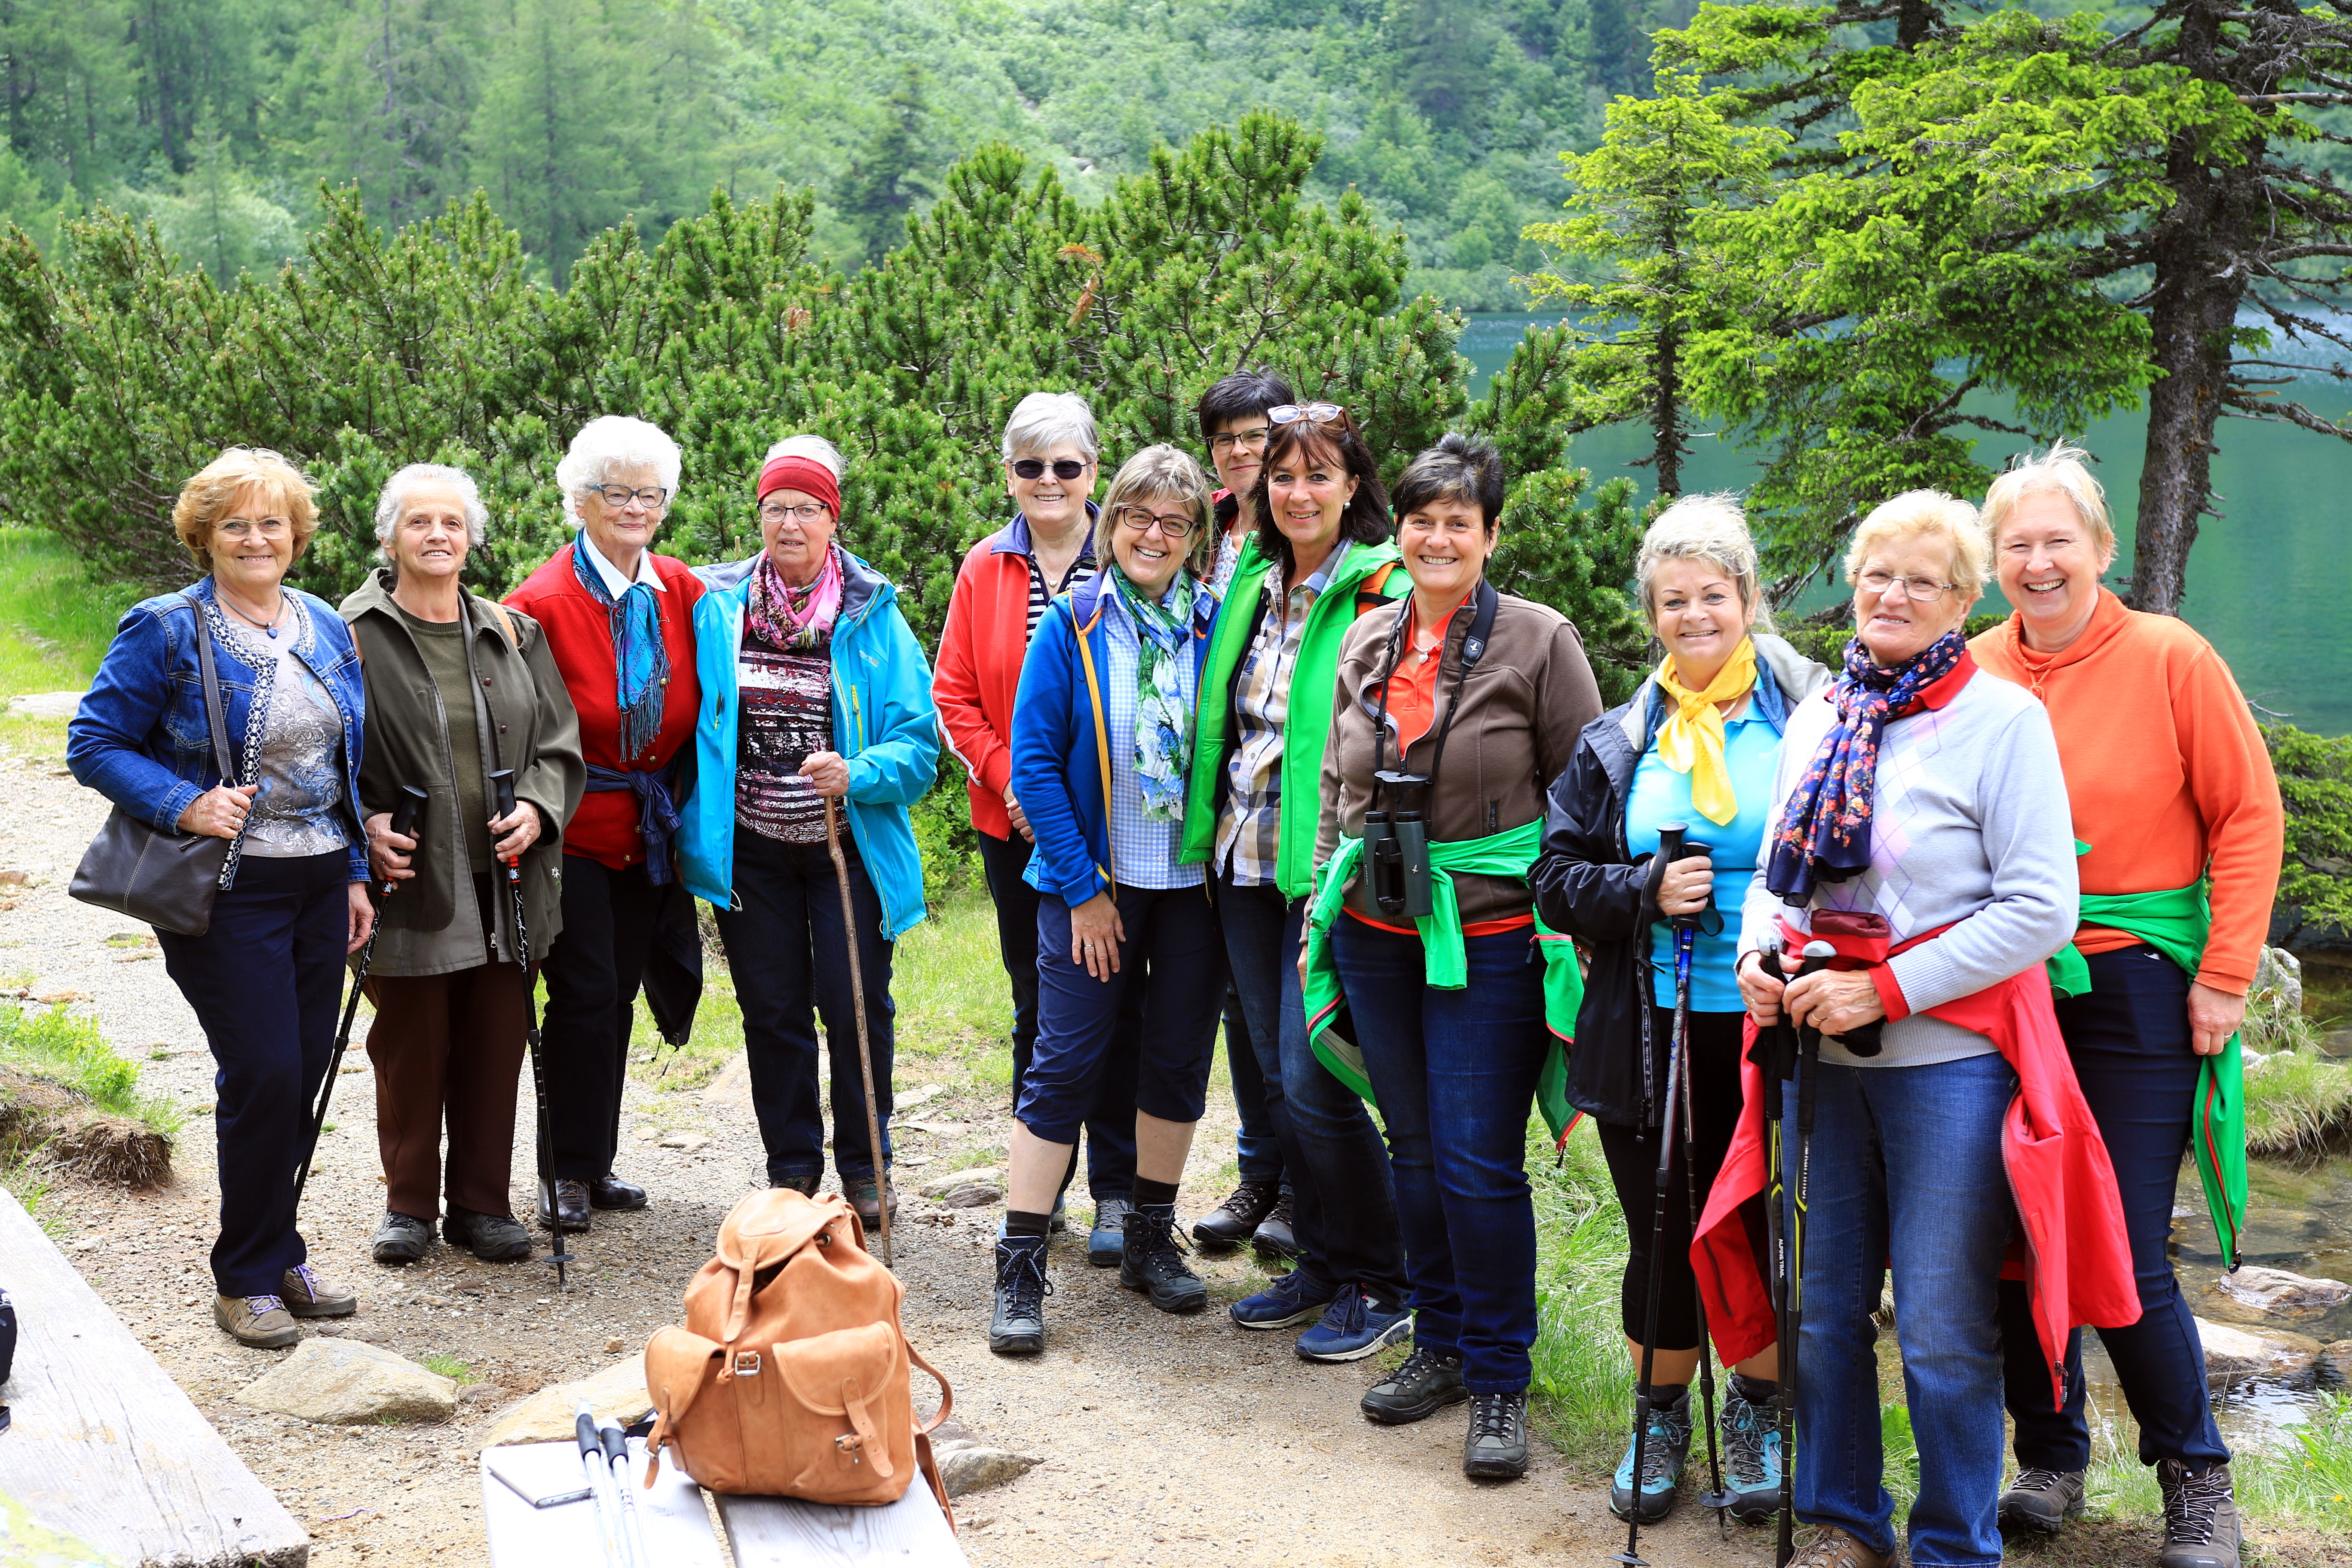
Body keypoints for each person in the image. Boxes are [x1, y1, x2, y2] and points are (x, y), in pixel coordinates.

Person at [1721, 490, 2133, 1568]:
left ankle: (1954, 1542)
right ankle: (1846, 1522)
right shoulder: (1821, 712)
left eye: (1922, 580)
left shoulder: (2004, 722)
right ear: (1852, 585)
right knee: (1822, 1310)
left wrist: (1889, 989)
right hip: (1819, 1059)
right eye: (1877, 575)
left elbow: (2041, 910)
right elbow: (1773, 879)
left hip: (1951, 1066)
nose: (1893, 595)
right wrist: (1758, 959)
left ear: (1962, 600)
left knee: (1945, 1323)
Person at [1973, 444, 2282, 1568]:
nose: (2040, 563)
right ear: (1992, 563)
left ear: (2102, 548)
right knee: (2009, 1230)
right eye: (2018, 545)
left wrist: (2226, 976)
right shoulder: (1975, 668)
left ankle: (2197, 1479)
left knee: (2123, 1239)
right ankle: (2050, 1456)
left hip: (2137, 978)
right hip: (2000, 980)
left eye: (2060, 541)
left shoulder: (2170, 657)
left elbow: (2248, 815)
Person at [1307, 433, 1605, 1478]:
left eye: (1459, 523)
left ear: (1490, 535)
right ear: (1399, 530)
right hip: (1378, 932)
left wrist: (1573, 920)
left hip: (1491, 937)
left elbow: (1586, 790)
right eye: (1422, 520)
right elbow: (1339, 791)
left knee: (1478, 1164)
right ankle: (1437, 1341)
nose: (1438, 539)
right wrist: (1323, 905)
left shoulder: (1539, 639)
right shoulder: (1368, 639)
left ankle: (1499, 1376)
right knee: (1416, 1149)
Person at [1531, 495, 1825, 1522]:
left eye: (1712, 595)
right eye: (1672, 601)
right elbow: (1554, 880)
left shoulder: (1813, 714)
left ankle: (1756, 1410)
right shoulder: (1619, 739)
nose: (1694, 616)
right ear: (1650, 613)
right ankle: (1658, 1420)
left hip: (1775, 1020)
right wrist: (1642, 891)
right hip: (1648, 1020)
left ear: (1749, 597)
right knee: (1661, 1232)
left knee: (1757, 1226)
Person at [68, 447, 372, 1348]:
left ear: (296, 535)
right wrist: (185, 803)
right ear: (204, 536)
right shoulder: (167, 628)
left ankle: (279, 1253)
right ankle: (244, 1277)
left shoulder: (323, 621)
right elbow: (94, 742)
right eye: (234, 524)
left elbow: (345, 766)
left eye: (272, 522)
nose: (255, 538)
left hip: (320, 879)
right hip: (227, 889)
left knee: (301, 1073)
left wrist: (356, 872)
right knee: (265, 1071)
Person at [1179, 399, 1417, 1360]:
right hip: (1244, 860)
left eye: (1319, 475)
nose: (1298, 492)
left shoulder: (1384, 587)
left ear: (1354, 485)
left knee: (1317, 1078)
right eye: (1283, 476)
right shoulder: (1254, 579)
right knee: (1278, 1081)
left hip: (1329, 872)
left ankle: (1385, 1277)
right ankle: (1323, 1264)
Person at [990, 443, 1225, 1357]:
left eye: (1174, 522)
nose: (1153, 536)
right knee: (1065, 1064)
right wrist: (1083, 890)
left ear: (1196, 537)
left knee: (1176, 1065)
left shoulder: (1217, 624)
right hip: (1094, 888)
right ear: (1112, 522)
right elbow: (1036, 765)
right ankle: (1019, 1264)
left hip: (1193, 892)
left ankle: (1148, 1240)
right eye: (1137, 517)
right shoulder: (1075, 622)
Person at [678, 436, 937, 1223]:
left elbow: (919, 747)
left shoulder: (873, 613)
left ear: (833, 518)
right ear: (759, 515)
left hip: (845, 851)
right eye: (776, 508)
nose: (790, 523)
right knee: (772, 1009)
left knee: (855, 1005)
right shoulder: (715, 606)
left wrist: (857, 772)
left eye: (807, 508)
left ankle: (866, 1166)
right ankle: (791, 1170)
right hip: (751, 852)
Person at [340, 464, 584, 1265]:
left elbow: (559, 743)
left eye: (452, 522)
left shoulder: (513, 633)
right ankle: (408, 1205)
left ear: (472, 538)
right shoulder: (346, 633)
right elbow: (317, 751)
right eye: (419, 522)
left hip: (508, 878)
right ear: (389, 538)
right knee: (411, 1045)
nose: (437, 535)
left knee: (496, 1041)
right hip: (411, 876)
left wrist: (539, 809)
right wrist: (364, 824)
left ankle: (482, 1204)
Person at [934, 390, 1142, 1262]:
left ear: (1095, 470)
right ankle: (1042, 1187)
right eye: (1031, 466)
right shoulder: (986, 566)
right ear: (1009, 475)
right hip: (1013, 826)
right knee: (1039, 1002)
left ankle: (1118, 1191)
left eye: (1066, 465)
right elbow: (953, 694)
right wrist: (1014, 785)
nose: (1049, 480)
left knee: (1118, 998)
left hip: (1117, 826)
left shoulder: (1130, 555)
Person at [505, 416, 704, 1233]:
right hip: (571, 829)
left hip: (651, 833)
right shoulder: (539, 604)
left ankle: (594, 1159)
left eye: (650, 494)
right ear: (580, 501)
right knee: (583, 993)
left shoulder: (682, 591)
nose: (635, 508)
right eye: (616, 492)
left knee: (619, 994)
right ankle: (561, 1169)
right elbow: (514, 725)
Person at [1183, 368, 1308, 1259]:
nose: (1239, 452)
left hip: (1290, 811)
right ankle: (1261, 1173)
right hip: (1216, 806)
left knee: (1296, 1013)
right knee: (1241, 1006)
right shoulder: (1203, 531)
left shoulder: (1308, 541)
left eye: (1255, 436)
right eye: (1224, 438)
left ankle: (1306, 1185)